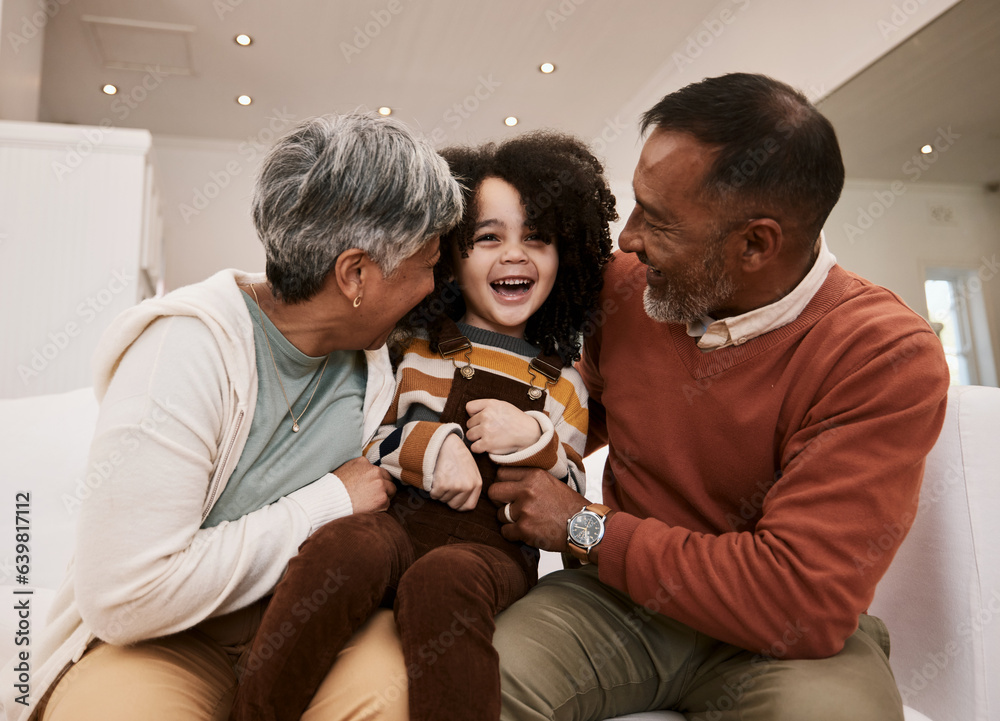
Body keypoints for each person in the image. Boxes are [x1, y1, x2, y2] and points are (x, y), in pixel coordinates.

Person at [486, 73, 952, 720]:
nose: (628, 240)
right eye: (636, 202)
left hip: (781, 638)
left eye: (660, 219)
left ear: (756, 243)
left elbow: (798, 596)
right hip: (617, 601)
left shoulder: (880, 352)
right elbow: (556, 417)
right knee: (469, 684)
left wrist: (581, 524)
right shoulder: (628, 288)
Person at [1, 113, 464, 721]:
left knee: (402, 696)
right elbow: (126, 596)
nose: (435, 285)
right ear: (355, 274)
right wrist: (328, 501)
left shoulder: (383, 359)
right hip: (162, 640)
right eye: (427, 264)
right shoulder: (184, 351)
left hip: (311, 622)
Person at [227, 131, 616, 721]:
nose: (515, 255)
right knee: (343, 545)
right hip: (397, 525)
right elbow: (367, 440)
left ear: (567, 258)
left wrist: (531, 440)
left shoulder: (566, 383)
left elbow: (569, 498)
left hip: (489, 554)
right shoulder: (407, 350)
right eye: (489, 238)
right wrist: (430, 446)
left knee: (446, 579)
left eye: (536, 238)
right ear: (450, 256)